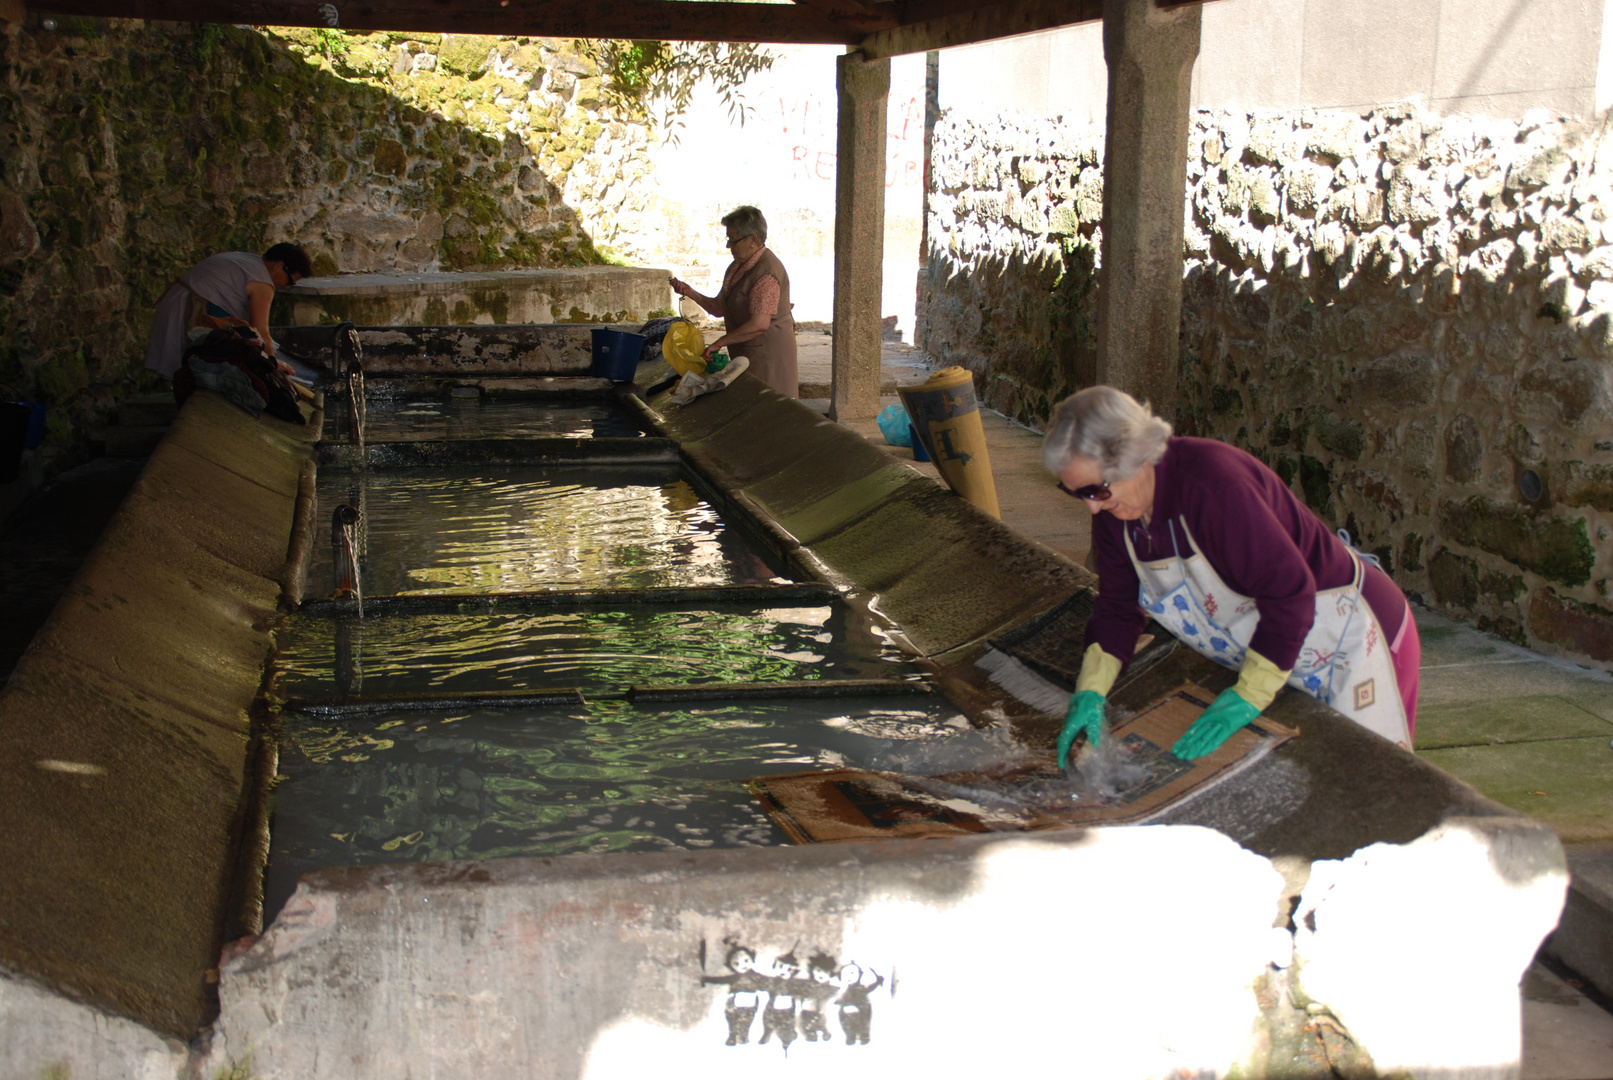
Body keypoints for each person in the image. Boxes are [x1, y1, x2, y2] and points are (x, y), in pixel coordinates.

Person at [1044, 385, 1420, 766]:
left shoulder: (1214, 487)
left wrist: (1248, 694)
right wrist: (1090, 691)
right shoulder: (1116, 515)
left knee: (1372, 780)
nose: (1092, 508)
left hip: (1358, 635)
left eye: (1097, 490)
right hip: (1285, 650)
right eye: (1077, 493)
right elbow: (1117, 607)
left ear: (1137, 456)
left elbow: (1288, 591)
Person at [668, 205, 797, 398]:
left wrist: (720, 342)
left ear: (753, 240)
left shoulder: (767, 273)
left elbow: (759, 324)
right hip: (747, 353)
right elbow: (720, 307)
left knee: (769, 408)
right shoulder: (738, 267)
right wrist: (689, 292)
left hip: (768, 356)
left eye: (733, 240)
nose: (728, 246)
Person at [146, 243, 312, 380]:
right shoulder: (262, 283)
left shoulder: (249, 261)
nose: (288, 286)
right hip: (190, 308)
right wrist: (273, 363)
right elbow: (261, 331)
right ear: (278, 266)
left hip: (177, 300)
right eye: (290, 281)